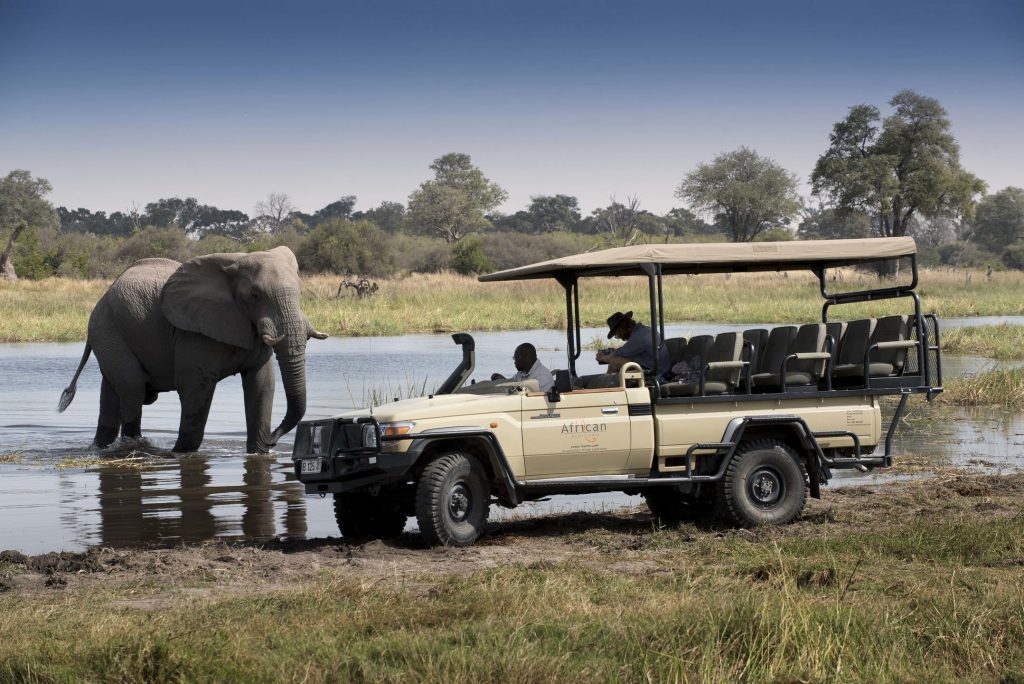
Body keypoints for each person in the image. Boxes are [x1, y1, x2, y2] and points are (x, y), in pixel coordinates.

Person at [595, 311, 671, 374]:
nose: (620, 338)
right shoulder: (643, 330)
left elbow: (618, 354)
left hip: (657, 372)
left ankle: (610, 389)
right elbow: (626, 351)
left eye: (616, 335)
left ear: (620, 330)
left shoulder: (639, 336)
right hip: (657, 367)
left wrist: (602, 358)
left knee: (615, 362)